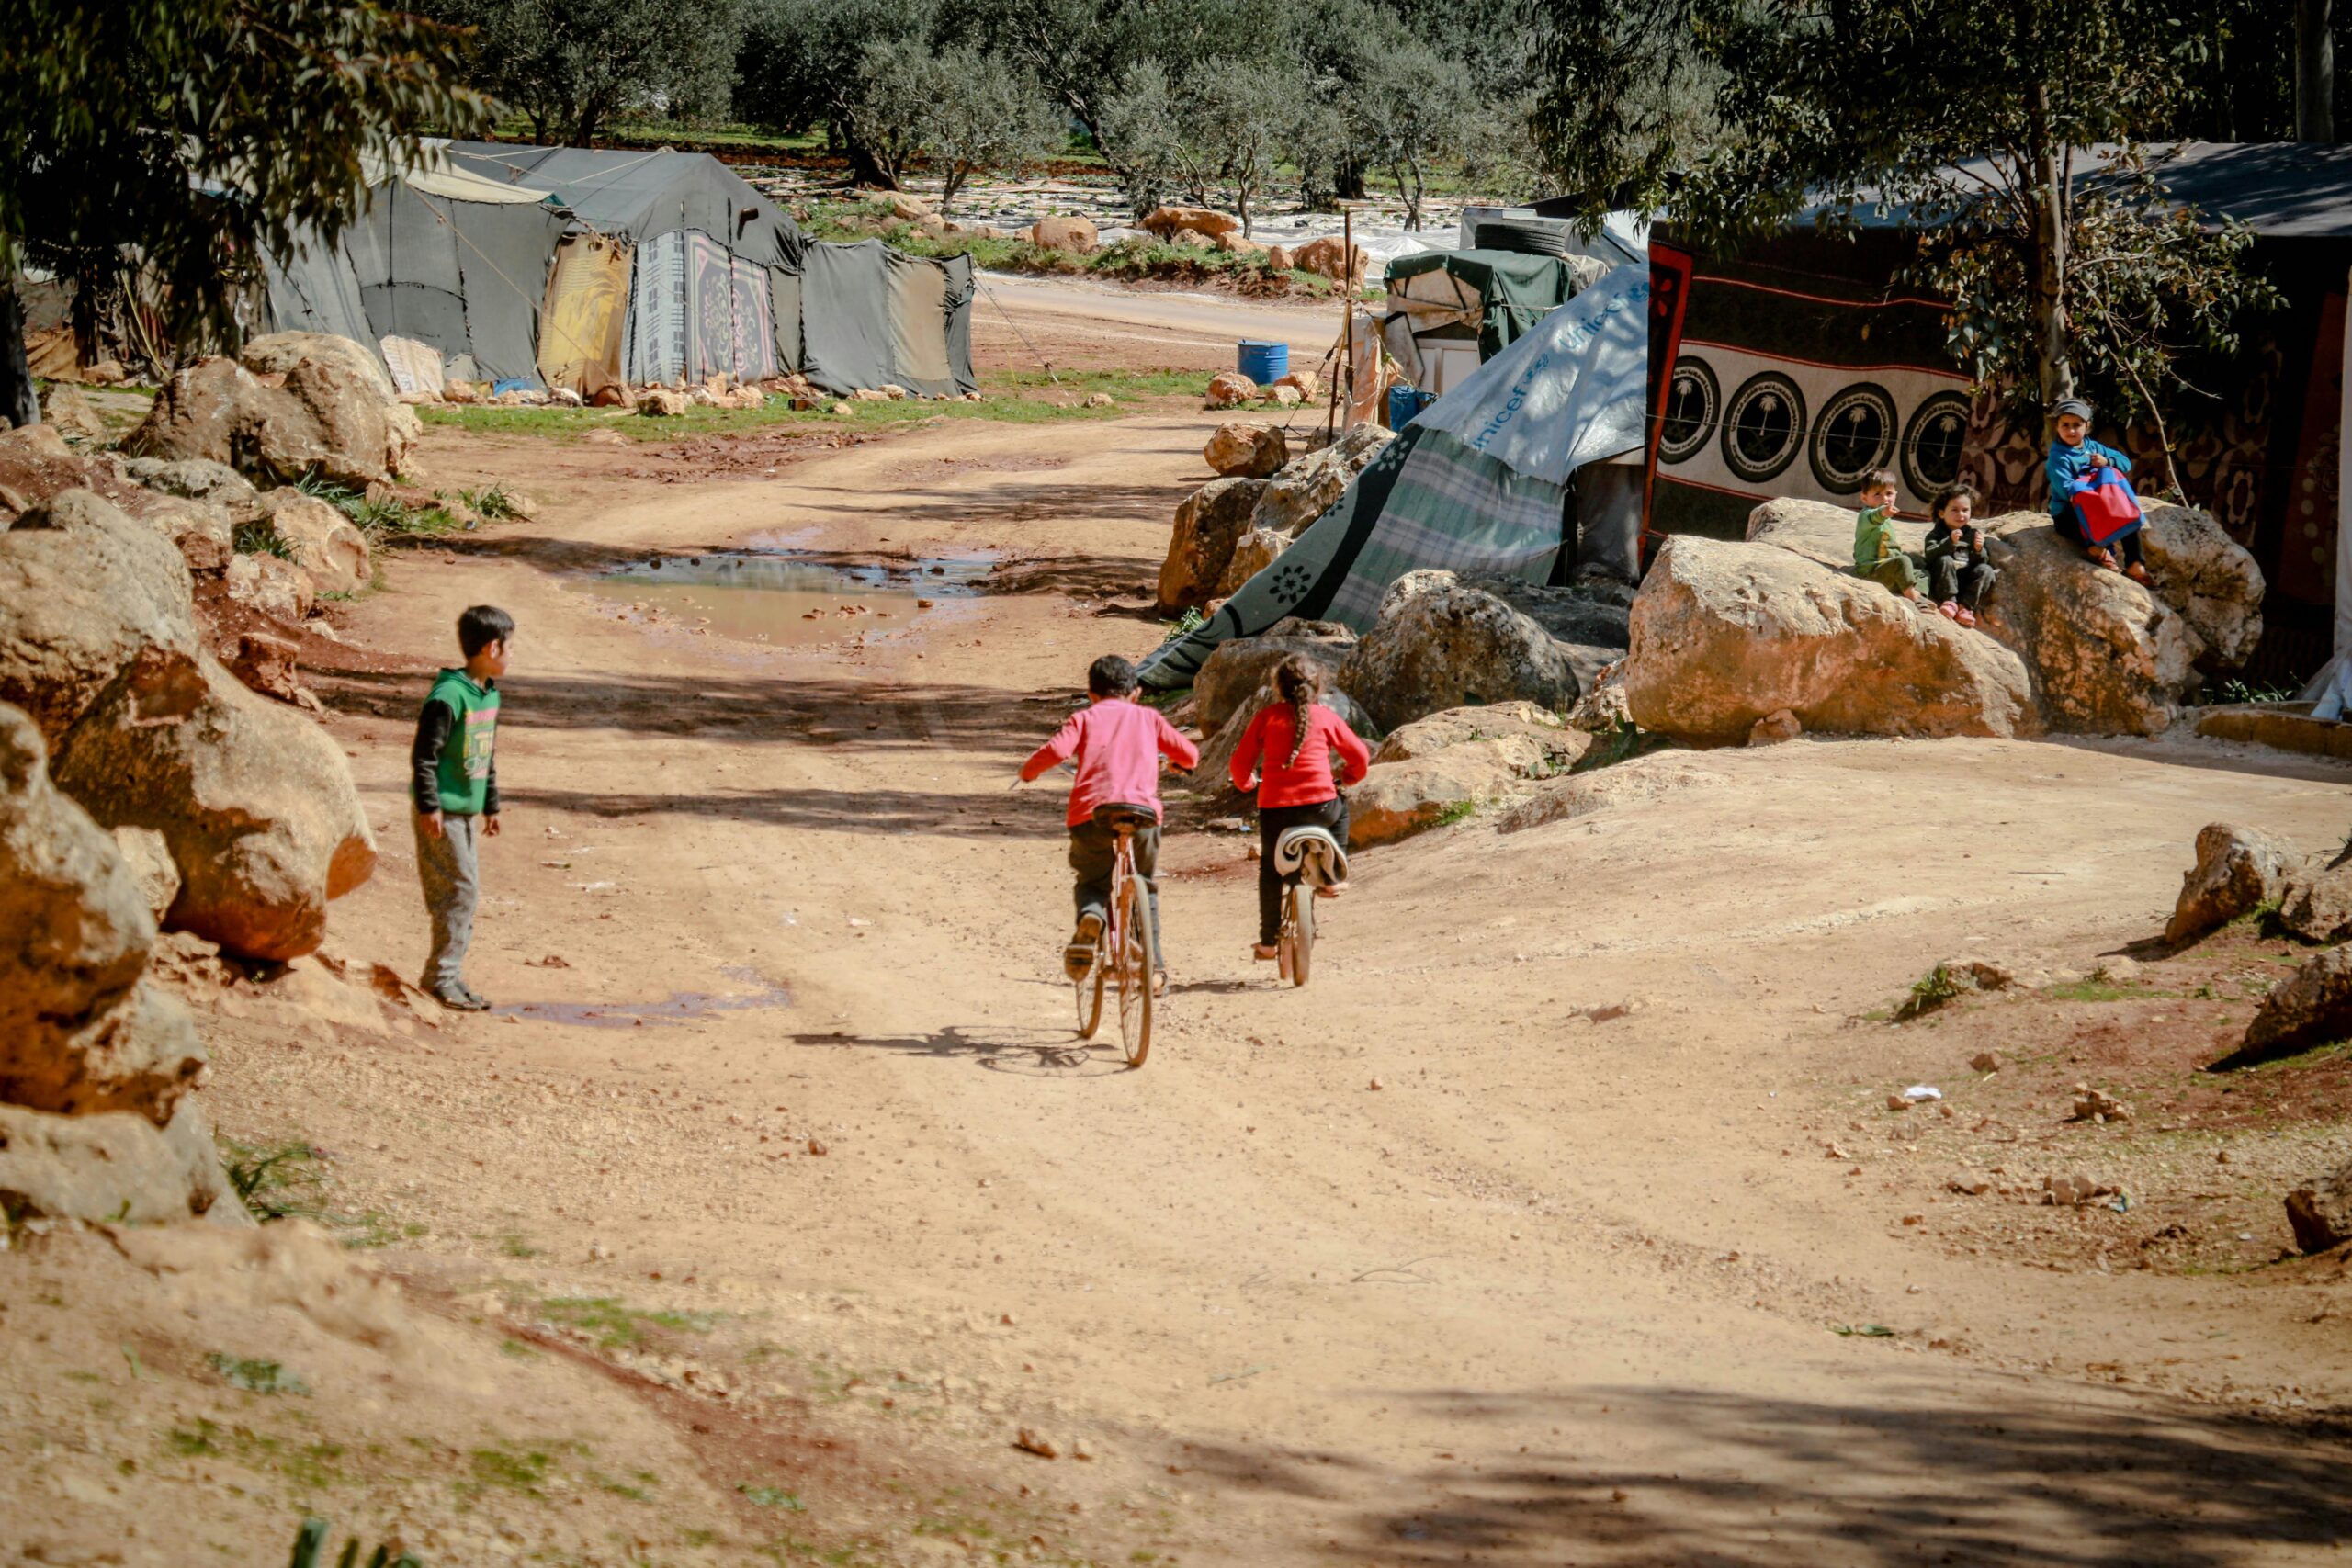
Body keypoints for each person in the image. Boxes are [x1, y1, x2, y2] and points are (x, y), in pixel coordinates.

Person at [1018, 653, 1198, 989]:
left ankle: (1092, 915)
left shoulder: (1084, 718)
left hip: (1092, 814)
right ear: (1136, 693)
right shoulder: (1149, 718)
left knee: (1093, 881)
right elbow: (1189, 754)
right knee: (1144, 883)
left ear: (1092, 694)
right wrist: (1178, 765)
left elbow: (1056, 752)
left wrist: (1028, 772)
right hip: (1142, 815)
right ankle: (1154, 969)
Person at [1228, 656, 1373, 963]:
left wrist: (1246, 783)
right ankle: (1333, 876)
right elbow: (1360, 757)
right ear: (1318, 686)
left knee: (1270, 869)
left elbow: (1239, 764)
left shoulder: (1266, 718)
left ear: (1278, 687)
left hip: (1275, 811)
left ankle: (1268, 941)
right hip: (1321, 808)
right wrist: (1347, 777)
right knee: (1342, 807)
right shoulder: (1327, 717)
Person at [411, 604, 511, 1010]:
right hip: (443, 812)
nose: (510, 656)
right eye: (508, 648)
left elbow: (486, 754)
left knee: (464, 892)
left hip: (465, 810)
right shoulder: (449, 695)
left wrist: (491, 804)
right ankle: (440, 978)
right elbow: (424, 754)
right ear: (492, 647)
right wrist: (429, 804)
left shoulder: (487, 694)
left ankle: (450, 975)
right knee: (458, 891)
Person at [2047, 397, 2152, 583]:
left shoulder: (2093, 447)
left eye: (2077, 425)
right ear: (2057, 426)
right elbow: (2065, 491)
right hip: (2069, 513)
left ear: (2087, 426)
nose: (2071, 430)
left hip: (2097, 504)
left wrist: (2107, 461)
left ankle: (2135, 564)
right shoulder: (2058, 457)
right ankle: (2099, 549)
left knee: (2126, 514)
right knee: (2088, 518)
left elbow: (2125, 464)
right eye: (2065, 425)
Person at [1924, 481, 1997, 627]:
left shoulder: (1972, 534)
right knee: (1945, 559)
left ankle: (1965, 607)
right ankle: (1950, 602)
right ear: (1941, 513)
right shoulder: (1935, 534)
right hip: (1943, 582)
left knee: (1986, 570)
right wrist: (1949, 542)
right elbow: (1930, 555)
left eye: (1965, 510)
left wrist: (1978, 549)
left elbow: (1982, 561)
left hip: (1963, 579)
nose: (1961, 515)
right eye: (1955, 510)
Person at [1851, 467, 1926, 602]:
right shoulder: (1866, 515)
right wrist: (1883, 512)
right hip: (1872, 571)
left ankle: (1921, 595)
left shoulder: (1887, 519)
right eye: (1877, 494)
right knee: (1903, 561)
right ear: (1864, 498)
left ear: (1896, 494)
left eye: (1889, 494)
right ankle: (1911, 596)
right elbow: (1874, 517)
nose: (1885, 499)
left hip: (1888, 569)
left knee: (1922, 572)